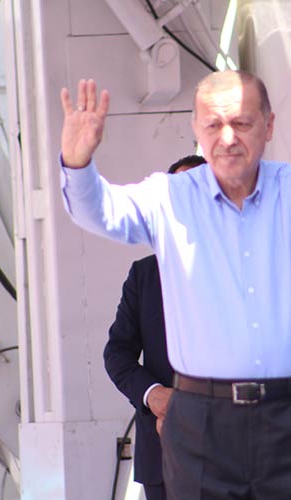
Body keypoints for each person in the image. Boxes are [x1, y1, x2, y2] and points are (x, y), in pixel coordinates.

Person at [59, 70, 291, 499]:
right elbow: (102, 213)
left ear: (268, 125)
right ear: (196, 128)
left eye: (241, 123)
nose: (227, 137)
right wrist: (78, 165)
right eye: (213, 125)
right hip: (202, 423)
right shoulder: (169, 196)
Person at [102, 154, 205, 500]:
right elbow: (117, 354)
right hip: (163, 455)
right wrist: (153, 394)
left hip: (237, 455)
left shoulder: (249, 268)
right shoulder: (144, 275)